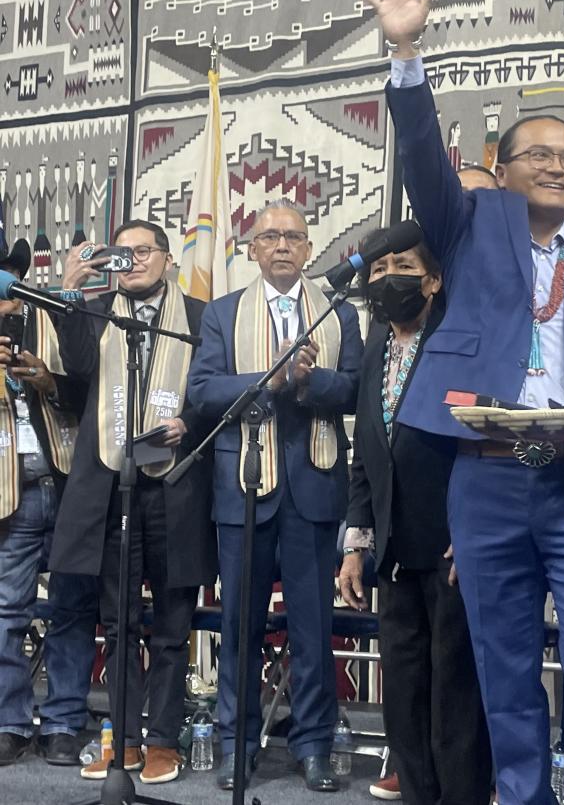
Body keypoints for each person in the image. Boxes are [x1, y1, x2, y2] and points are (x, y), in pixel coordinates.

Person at [362, 0, 564, 805]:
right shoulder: (471, 225)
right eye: (540, 153)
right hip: (488, 476)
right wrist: (406, 51)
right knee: (502, 668)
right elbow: (423, 154)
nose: (560, 167)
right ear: (504, 163)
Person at [188, 198, 362, 793]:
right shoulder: (222, 313)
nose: (283, 245)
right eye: (271, 237)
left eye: (294, 236)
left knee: (313, 627)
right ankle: (237, 741)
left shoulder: (339, 314)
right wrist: (272, 382)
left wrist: (311, 383)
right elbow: (205, 391)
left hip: (314, 489)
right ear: (252, 249)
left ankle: (313, 743)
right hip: (243, 488)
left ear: (310, 249)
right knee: (241, 626)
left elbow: (357, 389)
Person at [51, 220, 216, 784]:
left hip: (177, 486)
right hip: (112, 487)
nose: (133, 261)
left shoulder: (199, 317)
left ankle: (164, 740)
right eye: (123, 253)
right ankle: (121, 741)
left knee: (172, 625)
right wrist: (70, 290)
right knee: (118, 625)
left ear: (168, 259)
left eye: (144, 251)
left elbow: (214, 392)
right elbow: (75, 371)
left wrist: (186, 422)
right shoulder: (96, 310)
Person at [339, 224, 492, 805]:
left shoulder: (459, 340)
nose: (386, 278)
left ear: (432, 280)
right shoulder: (376, 345)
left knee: (454, 696)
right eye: (376, 270)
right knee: (403, 694)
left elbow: (484, 442)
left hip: (453, 547)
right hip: (394, 552)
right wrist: (357, 544)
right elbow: (366, 455)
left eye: (400, 265)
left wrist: (473, 525)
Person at [0, 239, 97, 768]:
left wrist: (48, 382)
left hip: (67, 487)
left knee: (73, 608)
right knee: (5, 611)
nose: (7, 307)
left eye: (13, 294)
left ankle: (63, 722)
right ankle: (10, 722)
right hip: (7, 496)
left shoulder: (58, 323)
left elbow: (99, 394)